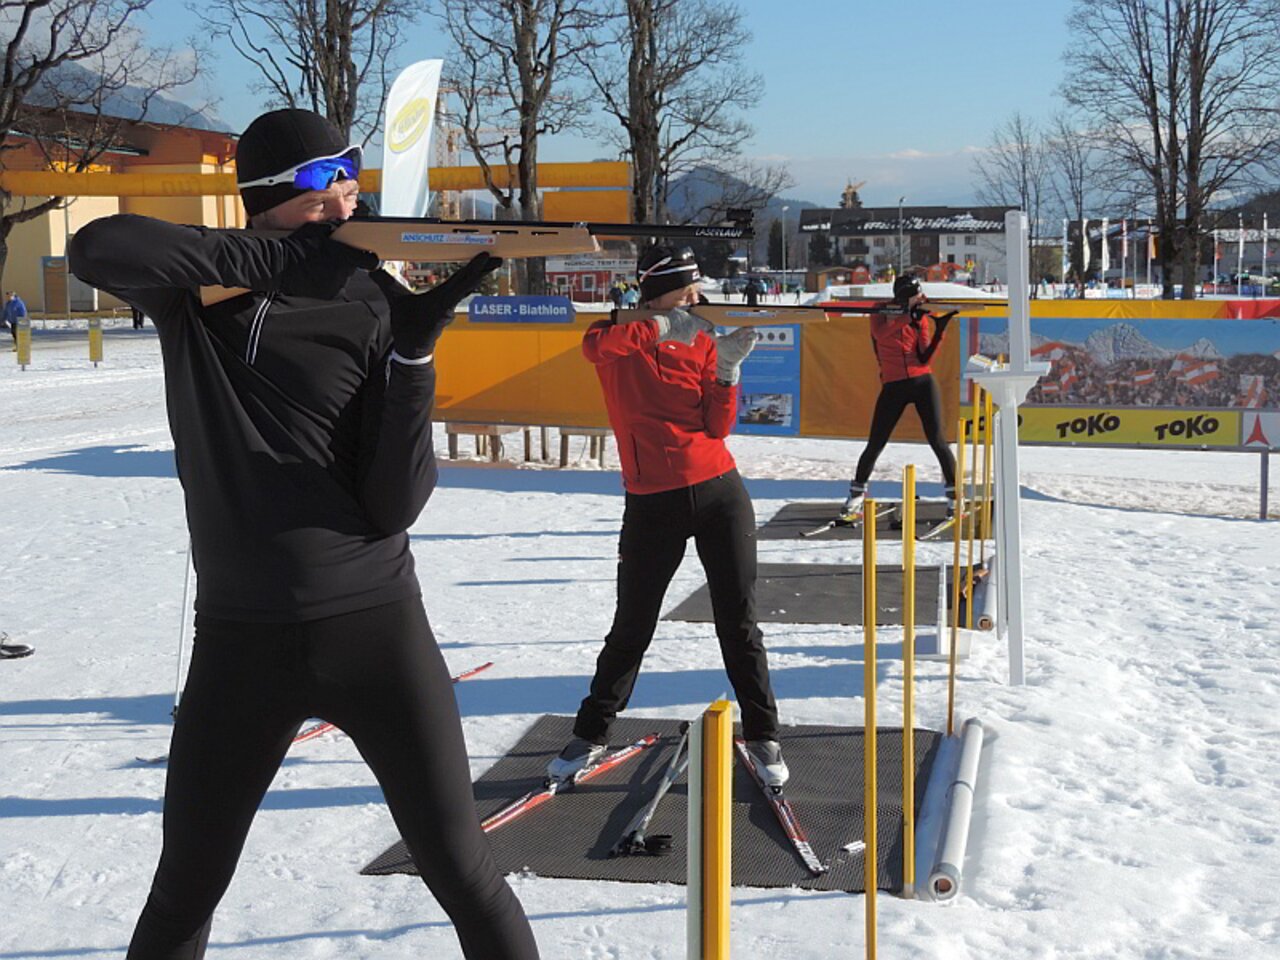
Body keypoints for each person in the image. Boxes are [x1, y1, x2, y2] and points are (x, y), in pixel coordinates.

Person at [68, 108, 539, 960]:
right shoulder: (196, 295)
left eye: (354, 181)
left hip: (377, 628)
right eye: (329, 184)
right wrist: (279, 260)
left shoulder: (368, 298)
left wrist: (413, 360)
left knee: (463, 870)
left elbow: (393, 504)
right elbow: (98, 245)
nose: (348, 200)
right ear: (276, 196)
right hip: (241, 643)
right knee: (184, 892)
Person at [549, 244, 789, 788]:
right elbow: (596, 350)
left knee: (739, 621)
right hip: (651, 501)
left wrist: (726, 372)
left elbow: (717, 426)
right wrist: (661, 325)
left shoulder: (703, 337)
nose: (697, 299)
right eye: (688, 290)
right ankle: (590, 732)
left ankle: (764, 732)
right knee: (632, 625)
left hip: (718, 490)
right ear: (663, 292)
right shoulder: (616, 336)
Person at [842, 274, 958, 518]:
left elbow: (925, 358)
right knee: (876, 442)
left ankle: (955, 499)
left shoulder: (920, 315)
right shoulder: (880, 311)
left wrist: (940, 331)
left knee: (938, 440)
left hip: (921, 380)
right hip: (894, 384)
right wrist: (907, 317)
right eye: (916, 295)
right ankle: (855, 496)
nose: (920, 299)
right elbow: (880, 334)